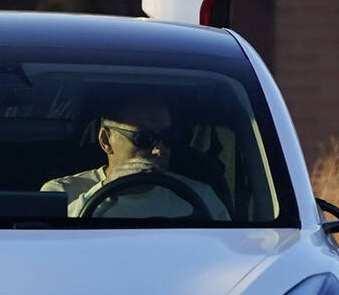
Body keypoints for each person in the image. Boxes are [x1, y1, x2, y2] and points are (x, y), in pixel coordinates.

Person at [42, 93, 229, 219]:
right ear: (106, 140)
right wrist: (106, 191)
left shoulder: (200, 197)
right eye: (144, 138)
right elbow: (46, 248)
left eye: (167, 138)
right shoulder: (62, 194)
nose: (159, 151)